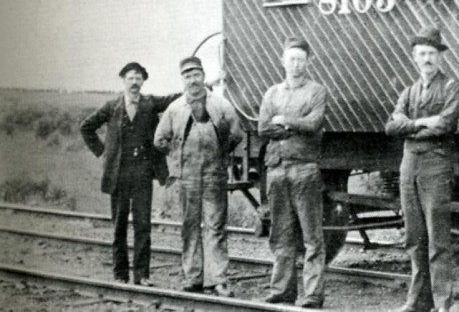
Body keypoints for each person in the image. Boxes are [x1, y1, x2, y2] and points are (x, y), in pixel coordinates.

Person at [384, 26, 459, 312]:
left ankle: (443, 303)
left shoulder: (452, 88)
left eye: (432, 53)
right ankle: (417, 301)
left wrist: (410, 126)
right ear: (414, 58)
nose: (427, 59)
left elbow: (445, 124)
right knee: (414, 237)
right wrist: (421, 123)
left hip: (436, 166)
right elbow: (392, 126)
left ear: (439, 57)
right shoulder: (408, 91)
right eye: (422, 54)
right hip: (409, 167)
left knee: (438, 238)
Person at [80, 62, 179, 286]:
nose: (134, 82)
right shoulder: (111, 106)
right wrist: (103, 151)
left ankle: (142, 275)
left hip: (143, 173)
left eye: (138, 78)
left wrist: (203, 86)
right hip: (119, 175)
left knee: (143, 225)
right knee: (119, 226)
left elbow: (173, 98)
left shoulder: (150, 103)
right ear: (123, 80)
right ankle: (120, 275)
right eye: (130, 78)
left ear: (143, 81)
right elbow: (86, 127)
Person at [154, 56, 243, 296]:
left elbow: (237, 133)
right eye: (187, 76)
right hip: (187, 178)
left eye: (196, 75)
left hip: (214, 176)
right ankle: (193, 278)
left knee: (215, 227)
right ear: (182, 79)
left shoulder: (220, 104)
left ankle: (218, 281)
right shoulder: (175, 108)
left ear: (203, 76)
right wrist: (176, 154)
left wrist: (221, 151)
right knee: (189, 227)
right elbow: (159, 139)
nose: (192, 80)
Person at [258, 37, 328, 309]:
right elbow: (264, 127)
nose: (296, 64)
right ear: (282, 61)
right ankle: (282, 290)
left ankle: (311, 295)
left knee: (312, 236)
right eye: (291, 59)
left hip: (305, 169)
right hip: (276, 170)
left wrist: (285, 121)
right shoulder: (272, 93)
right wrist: (291, 129)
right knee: (281, 233)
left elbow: (314, 123)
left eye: (301, 59)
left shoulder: (316, 91)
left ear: (308, 62)